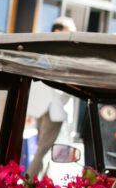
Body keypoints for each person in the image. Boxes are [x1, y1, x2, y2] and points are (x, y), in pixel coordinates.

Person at [25, 15, 77, 179]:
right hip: (51, 109)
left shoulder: (49, 52)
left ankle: (36, 184)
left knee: (45, 150)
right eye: (70, 31)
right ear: (58, 31)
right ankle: (30, 184)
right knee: (44, 150)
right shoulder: (55, 53)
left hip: (48, 108)